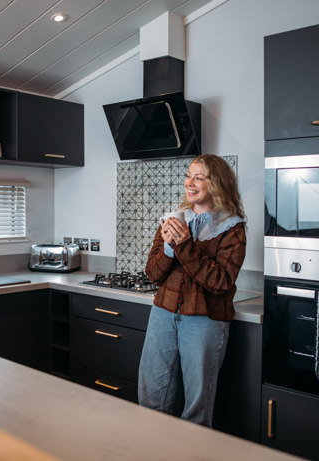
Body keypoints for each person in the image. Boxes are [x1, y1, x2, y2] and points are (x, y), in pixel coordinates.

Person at [138, 154, 247, 427]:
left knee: (196, 409)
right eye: (189, 176)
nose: (190, 182)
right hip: (163, 314)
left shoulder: (232, 229)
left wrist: (184, 246)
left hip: (205, 319)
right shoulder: (174, 220)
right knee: (151, 399)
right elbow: (153, 274)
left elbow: (221, 282)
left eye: (199, 178)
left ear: (218, 184)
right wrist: (167, 247)